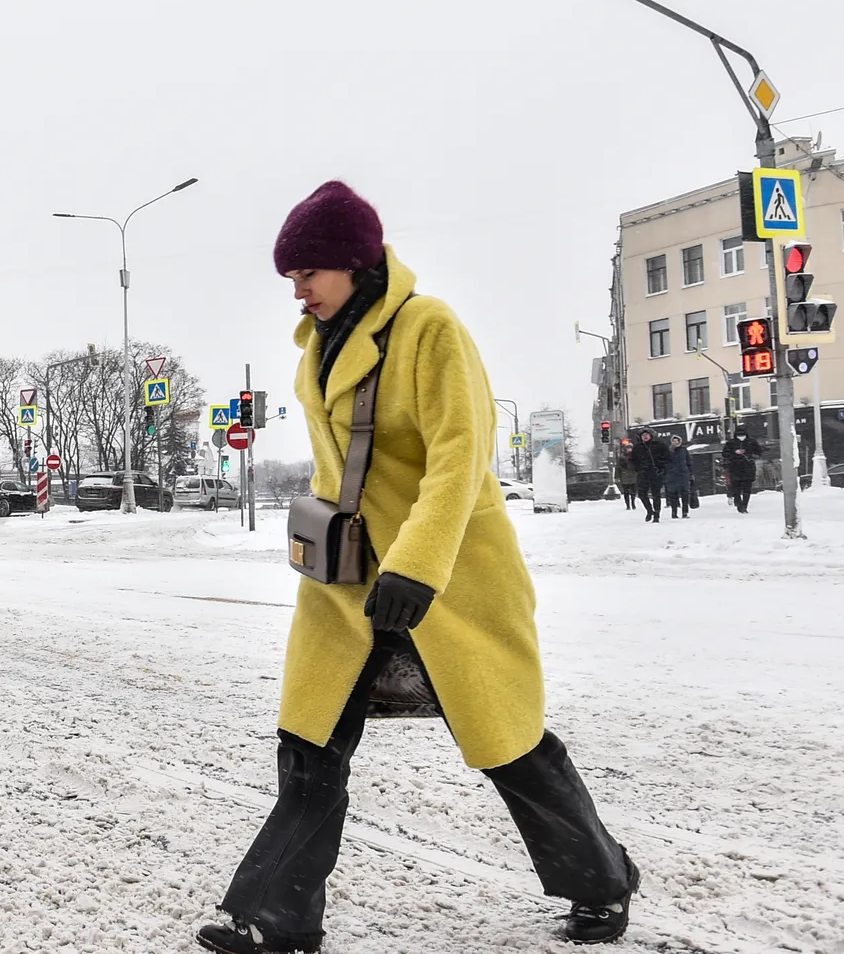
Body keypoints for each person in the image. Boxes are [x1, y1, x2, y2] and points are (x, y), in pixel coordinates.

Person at [198, 182, 636, 953]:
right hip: (348, 584)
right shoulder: (318, 346)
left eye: (308, 273)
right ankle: (279, 918)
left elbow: (460, 456)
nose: (298, 291)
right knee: (309, 743)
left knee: (509, 743)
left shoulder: (429, 328)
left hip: (446, 578)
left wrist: (417, 566)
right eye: (291, 277)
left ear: (353, 263)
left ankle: (601, 882)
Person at [630, 431, 666, 524]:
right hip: (643, 473)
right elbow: (632, 460)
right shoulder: (637, 447)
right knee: (642, 494)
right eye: (643, 435)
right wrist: (637, 468)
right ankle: (649, 510)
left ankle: (657, 515)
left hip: (656, 473)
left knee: (656, 495)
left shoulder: (659, 445)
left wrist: (661, 467)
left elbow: (667, 457)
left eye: (647, 435)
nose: (645, 437)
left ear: (651, 436)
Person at [724, 426, 762, 513]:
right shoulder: (731, 443)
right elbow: (725, 454)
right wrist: (734, 454)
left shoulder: (751, 442)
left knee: (747, 489)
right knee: (736, 488)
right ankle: (738, 502)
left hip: (748, 468)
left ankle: (744, 506)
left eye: (742, 435)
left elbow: (758, 452)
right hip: (735, 468)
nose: (741, 437)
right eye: (739, 435)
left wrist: (749, 455)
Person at [663, 436, 692, 519]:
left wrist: (690, 473)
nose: (675, 442)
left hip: (683, 475)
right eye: (673, 441)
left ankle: (685, 512)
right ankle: (674, 513)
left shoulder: (683, 450)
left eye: (677, 441)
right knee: (673, 495)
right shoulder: (668, 451)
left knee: (685, 494)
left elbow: (689, 462)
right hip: (672, 476)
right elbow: (664, 462)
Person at [614, 444, 637, 510]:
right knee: (626, 492)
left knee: (633, 491)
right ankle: (628, 505)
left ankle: (633, 503)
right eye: (628, 448)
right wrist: (617, 477)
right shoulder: (621, 457)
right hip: (624, 476)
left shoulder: (635, 456)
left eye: (630, 448)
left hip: (633, 476)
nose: (629, 450)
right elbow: (618, 467)